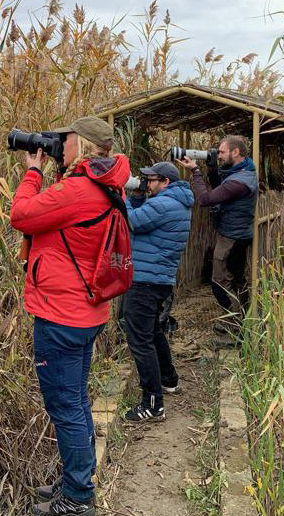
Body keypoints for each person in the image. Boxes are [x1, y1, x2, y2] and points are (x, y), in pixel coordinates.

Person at [10, 116, 130, 516]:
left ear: (85, 145)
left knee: (65, 406)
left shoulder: (79, 190)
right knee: (76, 400)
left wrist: (33, 171)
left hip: (62, 315)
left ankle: (78, 497)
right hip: (84, 311)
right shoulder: (103, 185)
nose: (61, 145)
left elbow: (23, 215)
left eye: (67, 140)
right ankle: (76, 479)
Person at [120, 161, 193, 422]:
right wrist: (138, 195)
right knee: (152, 332)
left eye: (151, 181)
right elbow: (145, 215)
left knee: (140, 340)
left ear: (166, 182)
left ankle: (153, 404)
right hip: (158, 280)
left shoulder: (164, 204)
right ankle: (169, 379)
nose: (147, 184)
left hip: (145, 281)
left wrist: (123, 196)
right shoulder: (176, 202)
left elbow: (130, 221)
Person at [176, 135, 258, 339]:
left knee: (220, 282)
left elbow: (205, 199)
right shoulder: (244, 170)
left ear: (235, 152)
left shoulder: (240, 181)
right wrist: (212, 169)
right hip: (237, 233)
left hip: (232, 237)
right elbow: (221, 185)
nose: (218, 155)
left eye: (221, 152)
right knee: (236, 280)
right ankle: (238, 322)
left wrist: (195, 171)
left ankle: (236, 328)